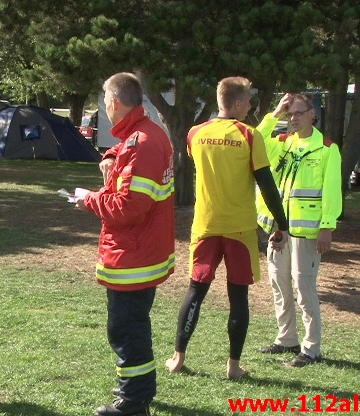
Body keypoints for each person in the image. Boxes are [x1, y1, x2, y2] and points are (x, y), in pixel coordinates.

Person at [164, 77, 289, 379]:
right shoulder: (248, 135)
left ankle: (178, 357)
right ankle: (233, 366)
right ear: (234, 103)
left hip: (205, 225)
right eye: (247, 101)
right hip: (239, 230)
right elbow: (266, 183)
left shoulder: (196, 134)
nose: (250, 106)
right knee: (238, 297)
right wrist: (281, 224)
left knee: (195, 291)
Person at [75, 72, 174, 416]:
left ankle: (133, 401)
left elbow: (127, 208)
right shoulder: (144, 135)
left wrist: (88, 198)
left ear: (114, 102)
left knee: (126, 329)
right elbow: (129, 148)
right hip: (139, 251)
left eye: (104, 100)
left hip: (133, 256)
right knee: (132, 326)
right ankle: (137, 392)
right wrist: (111, 155)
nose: (104, 106)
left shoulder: (142, 143)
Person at [255, 93, 342, 367]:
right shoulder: (283, 143)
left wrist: (327, 226)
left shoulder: (327, 149)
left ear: (312, 114)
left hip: (307, 232)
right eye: (290, 114)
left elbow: (331, 191)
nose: (294, 118)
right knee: (278, 283)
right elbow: (255, 141)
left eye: (298, 113)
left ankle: (311, 348)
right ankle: (286, 339)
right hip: (280, 229)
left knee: (304, 288)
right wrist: (275, 114)